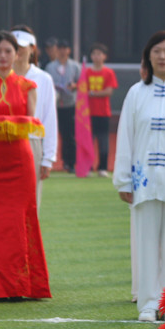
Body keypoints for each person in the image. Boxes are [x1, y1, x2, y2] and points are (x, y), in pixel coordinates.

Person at [113, 31, 165, 322]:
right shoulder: (137, 93)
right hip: (144, 181)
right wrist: (124, 179)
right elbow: (126, 137)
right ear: (148, 56)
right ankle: (148, 304)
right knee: (146, 244)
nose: (162, 57)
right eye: (157, 51)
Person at [0, 30, 50, 301]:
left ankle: (21, 285)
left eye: (8, 51)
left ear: (17, 55)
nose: (3, 57)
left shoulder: (29, 87)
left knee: (20, 217)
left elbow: (31, 121)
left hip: (20, 159)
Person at [12, 25, 58, 210]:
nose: (17, 52)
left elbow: (49, 119)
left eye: (21, 47)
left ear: (32, 49)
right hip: (3, 141)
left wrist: (48, 157)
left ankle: (27, 240)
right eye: (13, 47)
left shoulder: (43, 79)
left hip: (31, 142)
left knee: (30, 202)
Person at [46, 39, 81, 173]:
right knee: (54, 133)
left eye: (64, 48)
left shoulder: (75, 66)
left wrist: (74, 86)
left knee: (69, 135)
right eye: (59, 48)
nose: (62, 51)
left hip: (70, 103)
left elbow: (81, 83)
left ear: (68, 51)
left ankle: (70, 163)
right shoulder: (50, 66)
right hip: (55, 105)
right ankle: (52, 161)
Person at [86, 43, 118, 177]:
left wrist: (92, 93)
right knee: (88, 141)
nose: (97, 56)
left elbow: (109, 91)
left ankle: (102, 168)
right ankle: (87, 167)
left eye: (99, 54)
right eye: (94, 54)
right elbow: (83, 90)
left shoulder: (108, 72)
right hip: (88, 112)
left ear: (104, 56)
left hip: (103, 112)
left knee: (104, 140)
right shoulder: (86, 72)